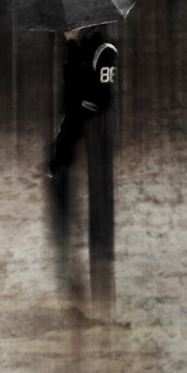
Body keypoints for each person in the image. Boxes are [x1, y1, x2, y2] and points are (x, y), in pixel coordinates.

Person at [48, 25, 118, 303]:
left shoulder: (104, 51)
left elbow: (100, 98)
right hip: (73, 135)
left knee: (96, 208)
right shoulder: (79, 50)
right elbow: (71, 88)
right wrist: (71, 48)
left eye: (78, 26)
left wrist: (79, 106)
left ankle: (99, 285)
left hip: (93, 134)